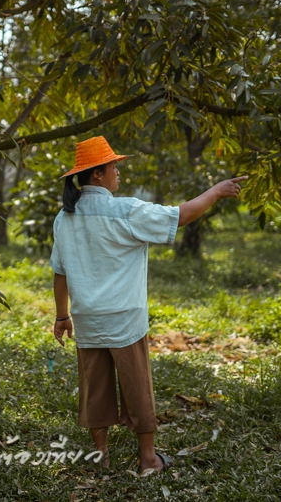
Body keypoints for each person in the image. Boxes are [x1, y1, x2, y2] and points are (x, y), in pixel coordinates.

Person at [50, 136, 246, 473]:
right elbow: (179, 216)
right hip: (124, 319)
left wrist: (62, 315)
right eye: (113, 166)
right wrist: (215, 192)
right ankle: (147, 459)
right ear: (97, 174)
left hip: (87, 320)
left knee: (94, 389)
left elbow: (60, 273)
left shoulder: (64, 217)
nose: (118, 172)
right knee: (137, 386)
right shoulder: (125, 210)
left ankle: (101, 459)